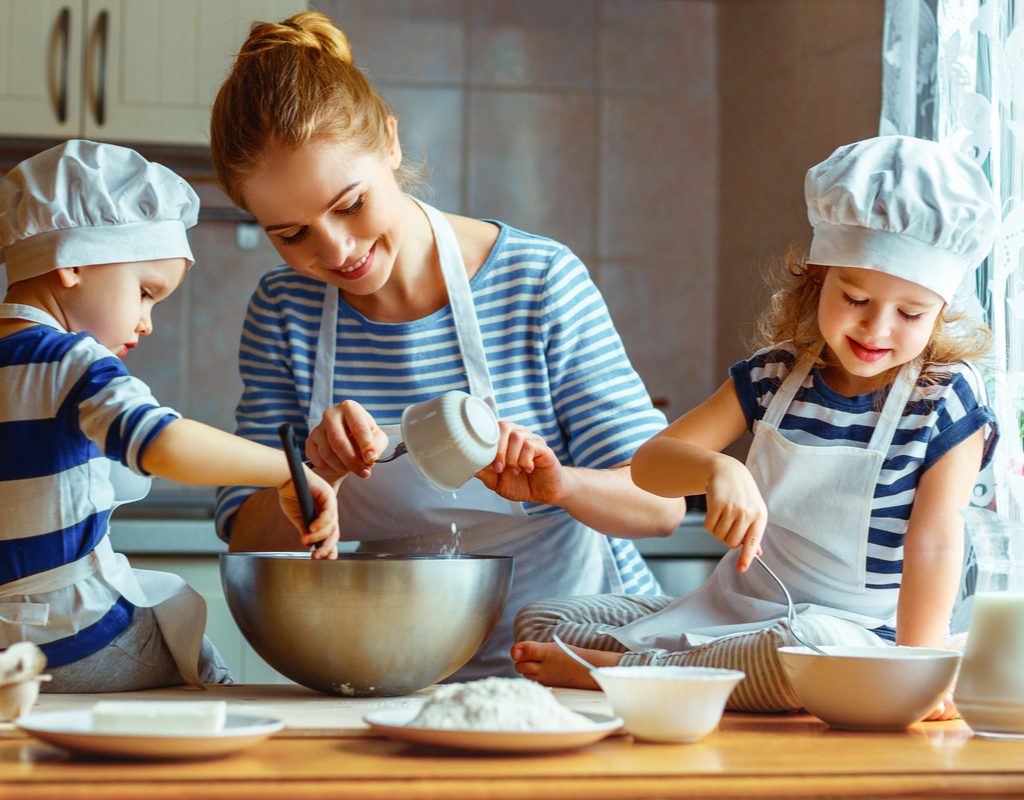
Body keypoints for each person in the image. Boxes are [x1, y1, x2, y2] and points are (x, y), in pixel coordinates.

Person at [208, 11, 687, 680]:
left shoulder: (537, 281)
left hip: (573, 665)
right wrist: (314, 476)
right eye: (292, 235)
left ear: (391, 144)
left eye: (349, 204)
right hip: (390, 675)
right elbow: (245, 536)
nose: (336, 250)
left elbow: (662, 505)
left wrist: (560, 485)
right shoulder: (283, 313)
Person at [511, 135, 1000, 720]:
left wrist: (917, 673)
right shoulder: (774, 375)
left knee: (804, 657)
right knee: (546, 619)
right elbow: (649, 465)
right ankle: (683, 668)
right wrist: (716, 467)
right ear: (818, 281)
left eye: (910, 313)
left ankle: (620, 674)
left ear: (940, 312)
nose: (876, 328)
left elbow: (937, 542)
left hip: (849, 636)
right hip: (738, 611)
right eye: (854, 297)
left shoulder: (945, 399)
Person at [0, 140, 340, 693]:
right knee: (199, 669)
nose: (147, 322)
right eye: (145, 292)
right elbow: (162, 442)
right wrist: (289, 469)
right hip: (74, 639)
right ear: (74, 262)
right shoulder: (73, 361)